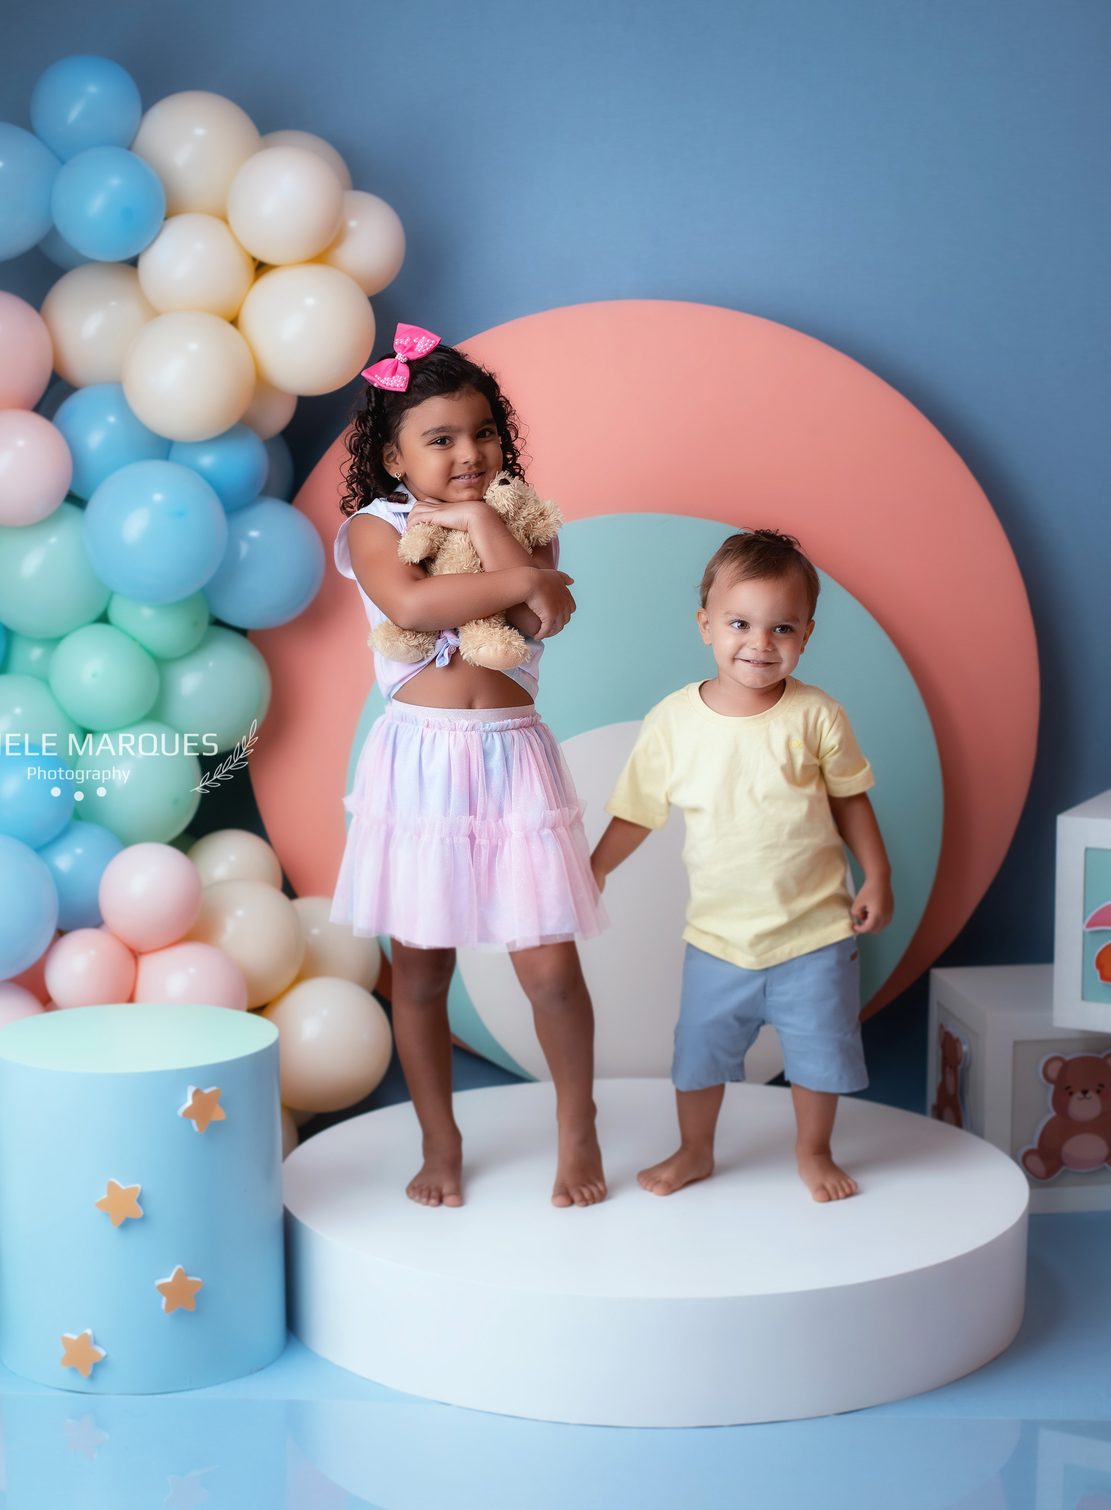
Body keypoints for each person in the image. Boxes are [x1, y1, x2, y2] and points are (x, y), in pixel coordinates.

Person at [331, 324, 608, 1209]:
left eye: (484, 432)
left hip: (513, 761)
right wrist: (521, 579)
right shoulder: (373, 529)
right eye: (441, 438)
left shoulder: (523, 524)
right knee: (420, 972)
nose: (469, 453)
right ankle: (439, 1140)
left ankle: (578, 1126)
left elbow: (539, 617)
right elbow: (412, 601)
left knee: (549, 970)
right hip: (420, 768)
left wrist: (486, 525)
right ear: (393, 457)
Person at [589, 529, 893, 1203]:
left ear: (806, 634)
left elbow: (850, 800)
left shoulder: (817, 715)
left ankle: (814, 1151)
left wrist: (878, 874)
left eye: (781, 627)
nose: (760, 643)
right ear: (706, 625)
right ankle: (695, 1150)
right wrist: (596, 867)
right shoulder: (674, 722)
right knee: (699, 1055)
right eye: (740, 624)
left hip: (815, 932)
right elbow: (638, 810)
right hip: (718, 938)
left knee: (819, 1055)